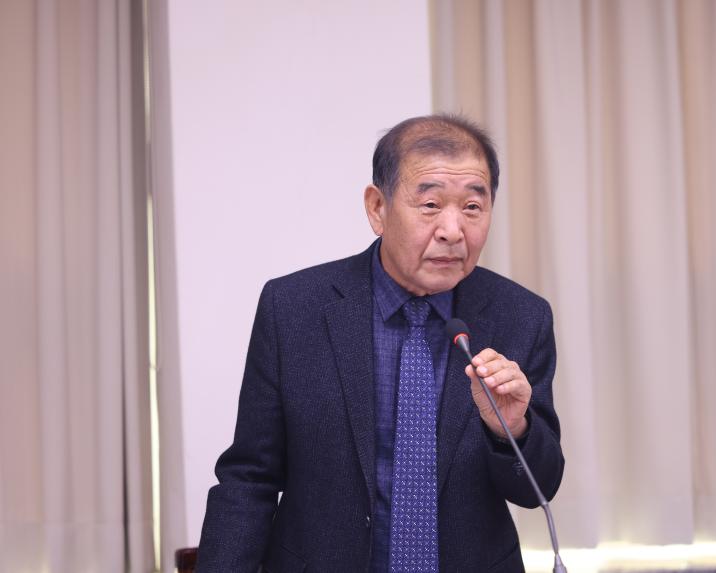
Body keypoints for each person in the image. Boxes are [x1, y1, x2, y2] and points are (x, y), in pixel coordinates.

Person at [196, 115, 564, 572]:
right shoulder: (294, 308)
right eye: (430, 204)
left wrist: (512, 430)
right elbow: (250, 478)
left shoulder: (520, 316)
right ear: (377, 208)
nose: (453, 230)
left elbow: (537, 489)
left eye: (473, 206)